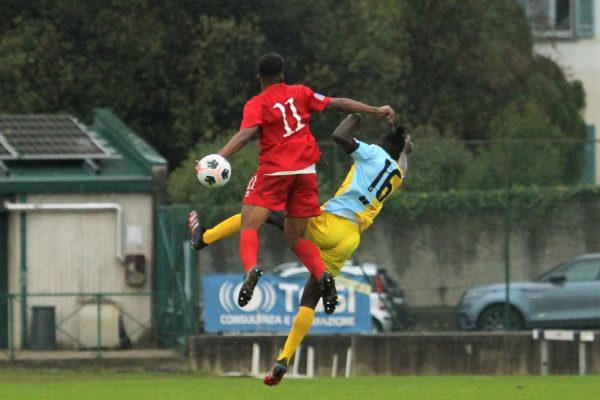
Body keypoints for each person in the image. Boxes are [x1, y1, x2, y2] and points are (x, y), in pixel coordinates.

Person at [188, 113, 412, 385]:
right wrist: (406, 151)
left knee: (261, 213)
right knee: (310, 299)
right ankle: (284, 358)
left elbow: (340, 135)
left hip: (330, 222)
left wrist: (355, 116)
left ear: (381, 145)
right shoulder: (397, 174)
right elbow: (403, 165)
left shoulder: (373, 153)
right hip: (350, 238)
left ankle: (204, 238)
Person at [204, 52, 395, 315]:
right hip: (306, 172)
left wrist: (218, 157)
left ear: (259, 77)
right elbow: (337, 103)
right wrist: (375, 110)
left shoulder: (257, 104)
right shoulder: (301, 93)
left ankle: (250, 269)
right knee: (294, 236)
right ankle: (322, 275)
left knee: (249, 223)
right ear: (283, 74)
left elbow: (246, 134)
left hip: (275, 172)